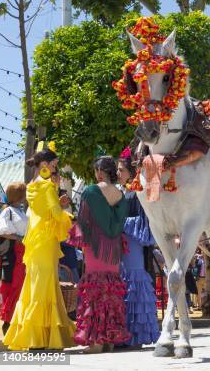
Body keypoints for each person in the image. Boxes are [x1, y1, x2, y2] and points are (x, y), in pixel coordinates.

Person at [3, 147, 76, 351]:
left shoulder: (31, 186)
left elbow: (44, 211)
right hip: (45, 240)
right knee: (44, 285)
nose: (55, 168)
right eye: (53, 165)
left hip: (35, 240)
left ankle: (36, 336)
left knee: (35, 284)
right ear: (44, 165)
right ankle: (41, 339)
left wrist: (55, 196)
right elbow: (55, 213)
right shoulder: (45, 186)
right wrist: (70, 219)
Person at [68, 156, 130, 353]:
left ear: (100, 172)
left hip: (95, 247)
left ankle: (95, 341)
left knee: (95, 288)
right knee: (110, 289)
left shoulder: (91, 191)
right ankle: (110, 339)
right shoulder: (120, 195)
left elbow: (83, 223)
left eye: (96, 171)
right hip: (113, 248)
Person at [116, 151, 160, 349]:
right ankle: (124, 333)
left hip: (133, 244)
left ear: (130, 171)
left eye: (121, 169)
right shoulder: (123, 191)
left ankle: (137, 335)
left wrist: (120, 223)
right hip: (121, 245)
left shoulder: (138, 191)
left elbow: (144, 222)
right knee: (124, 285)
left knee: (134, 283)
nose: (118, 173)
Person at [0, 182, 28, 335]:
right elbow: (1, 231)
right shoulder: (7, 211)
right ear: (19, 194)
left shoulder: (19, 211)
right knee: (13, 287)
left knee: (20, 287)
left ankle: (14, 321)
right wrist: (19, 238)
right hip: (13, 252)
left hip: (22, 252)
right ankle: (8, 322)